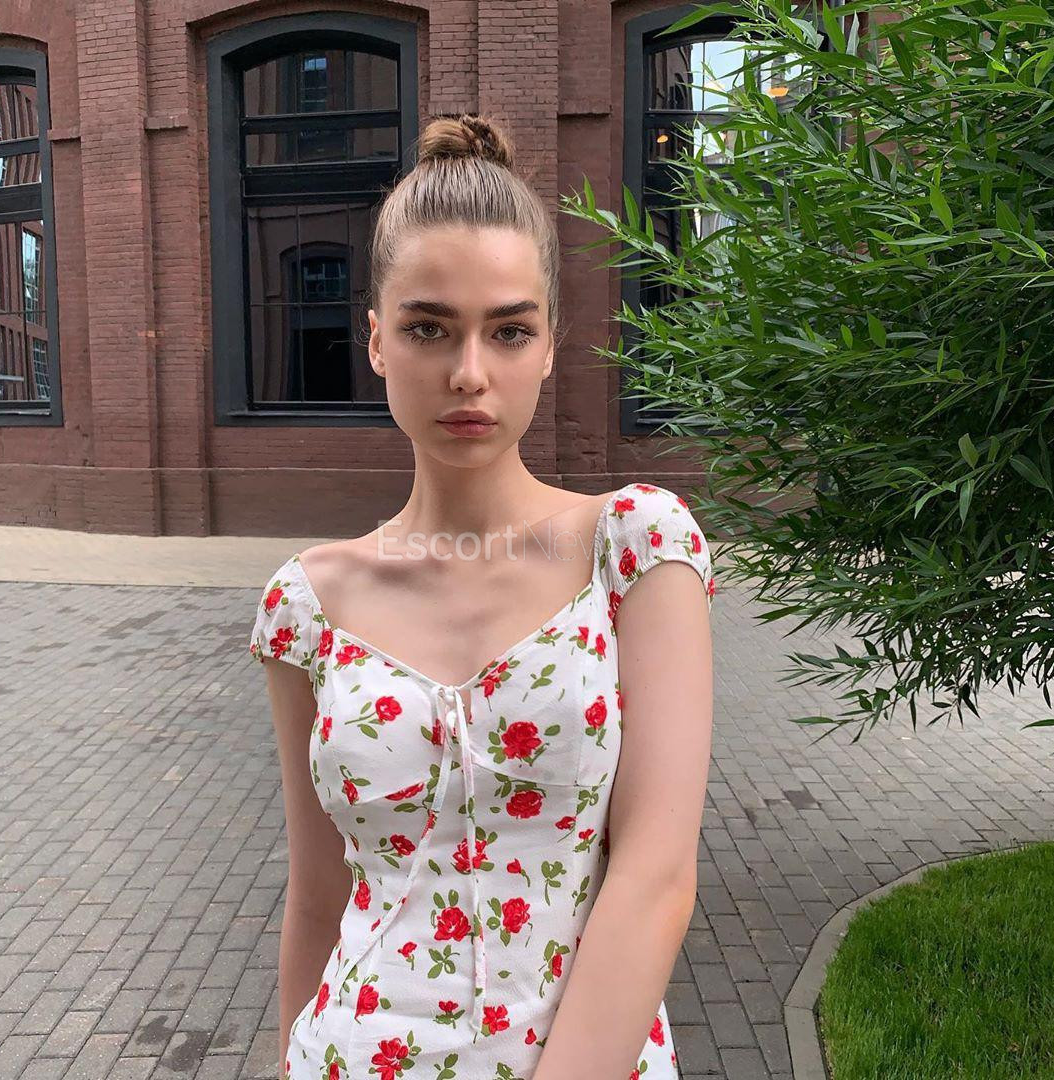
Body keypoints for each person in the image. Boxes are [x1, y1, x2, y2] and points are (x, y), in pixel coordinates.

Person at [249, 113, 715, 1080]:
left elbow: (657, 874)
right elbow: (317, 892)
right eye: (428, 328)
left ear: (549, 347)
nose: (470, 373)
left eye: (508, 331)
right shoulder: (307, 606)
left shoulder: (634, 550)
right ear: (376, 342)